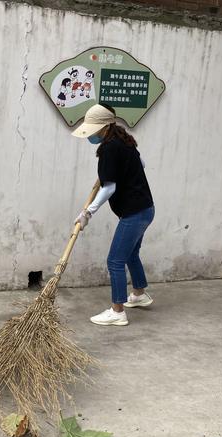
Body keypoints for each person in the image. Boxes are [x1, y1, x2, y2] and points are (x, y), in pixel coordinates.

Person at [72, 104, 155, 326]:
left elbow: (109, 188)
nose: (90, 133)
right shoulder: (126, 142)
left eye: (94, 128)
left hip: (134, 214)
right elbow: (142, 164)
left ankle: (117, 311)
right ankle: (139, 294)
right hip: (147, 209)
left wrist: (87, 213)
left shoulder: (109, 149)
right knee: (130, 254)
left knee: (115, 261)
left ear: (105, 127)